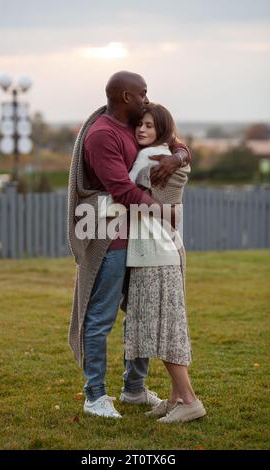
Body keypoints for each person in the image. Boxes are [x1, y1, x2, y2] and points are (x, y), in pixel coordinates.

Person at [67, 71, 191, 419]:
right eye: (142, 93)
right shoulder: (102, 135)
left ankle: (134, 389)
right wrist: (162, 213)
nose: (146, 99)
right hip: (112, 240)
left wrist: (176, 157)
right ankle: (94, 396)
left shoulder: (137, 125)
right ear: (125, 96)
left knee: (141, 314)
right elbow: (122, 190)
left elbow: (171, 136)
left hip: (139, 240)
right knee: (101, 317)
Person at [122, 103, 206, 423]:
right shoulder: (167, 155)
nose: (141, 130)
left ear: (161, 130)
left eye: (148, 125)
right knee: (168, 328)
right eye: (139, 125)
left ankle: (188, 400)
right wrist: (180, 153)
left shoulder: (148, 158)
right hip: (166, 251)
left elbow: (123, 191)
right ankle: (174, 399)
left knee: (163, 331)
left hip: (154, 257)